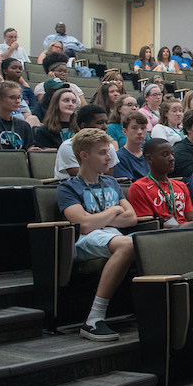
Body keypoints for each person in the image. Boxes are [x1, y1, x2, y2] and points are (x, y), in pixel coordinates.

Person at [56, 128, 138, 341]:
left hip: (112, 236)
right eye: (102, 152)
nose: (109, 157)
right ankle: (93, 319)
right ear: (84, 155)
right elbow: (82, 225)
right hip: (84, 242)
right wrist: (112, 211)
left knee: (149, 244)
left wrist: (97, 218)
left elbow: (132, 218)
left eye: (108, 151)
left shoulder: (111, 183)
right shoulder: (68, 187)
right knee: (128, 245)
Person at [127, 139, 193, 230]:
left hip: (187, 232)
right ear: (149, 158)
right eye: (165, 155)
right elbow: (149, 225)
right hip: (163, 235)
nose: (172, 158)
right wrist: (190, 225)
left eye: (172, 154)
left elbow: (191, 219)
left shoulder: (181, 186)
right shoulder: (138, 187)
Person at [54, 105, 121, 178]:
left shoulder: (109, 146)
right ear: (84, 126)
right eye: (99, 123)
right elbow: (82, 179)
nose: (105, 127)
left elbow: (108, 177)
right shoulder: (68, 147)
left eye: (106, 122)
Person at [112, 111, 150, 181]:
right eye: (134, 128)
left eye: (143, 128)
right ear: (125, 131)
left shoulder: (150, 155)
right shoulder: (118, 157)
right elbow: (127, 185)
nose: (139, 132)